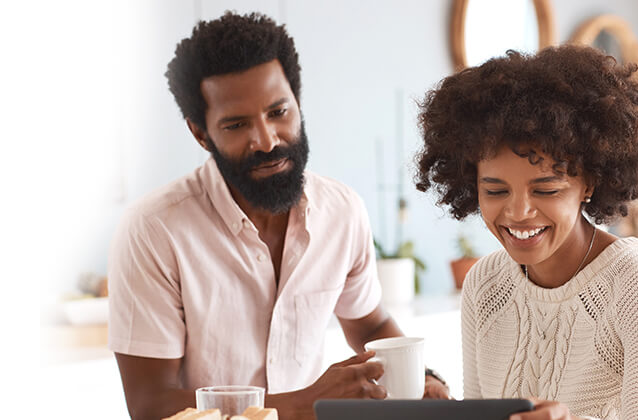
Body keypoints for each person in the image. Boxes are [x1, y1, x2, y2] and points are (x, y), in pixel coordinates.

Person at [108, 11, 447, 420]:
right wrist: (305, 405)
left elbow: (370, 324)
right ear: (201, 133)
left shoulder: (342, 211)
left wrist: (423, 376)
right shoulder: (154, 229)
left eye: (278, 112)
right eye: (236, 125)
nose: (267, 141)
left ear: (298, 104)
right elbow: (150, 405)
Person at [415, 45, 638, 419]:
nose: (517, 212)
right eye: (495, 191)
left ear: (590, 183)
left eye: (545, 190)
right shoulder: (485, 285)